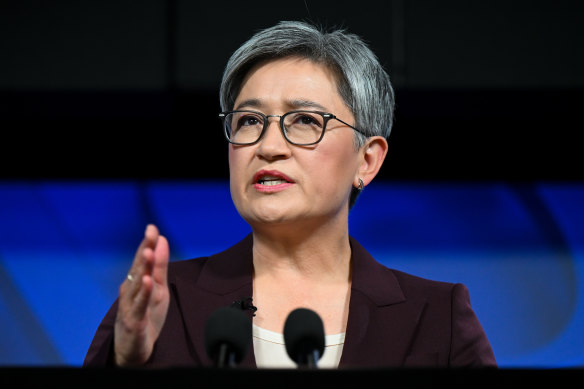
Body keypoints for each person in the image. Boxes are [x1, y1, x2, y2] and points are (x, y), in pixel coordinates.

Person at [84, 21, 496, 368]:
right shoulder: (164, 302)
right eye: (248, 121)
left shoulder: (436, 316)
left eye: (303, 120)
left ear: (367, 160)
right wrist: (124, 360)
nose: (268, 146)